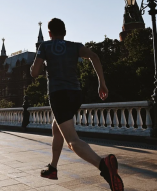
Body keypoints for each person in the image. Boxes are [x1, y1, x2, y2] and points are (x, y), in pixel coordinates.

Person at [30, 18, 124, 191]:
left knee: (72, 140)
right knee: (57, 128)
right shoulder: (75, 46)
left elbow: (34, 73)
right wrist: (102, 83)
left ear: (49, 33)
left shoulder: (45, 46)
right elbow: (94, 56)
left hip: (58, 95)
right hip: (75, 94)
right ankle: (53, 167)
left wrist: (42, 64)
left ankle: (103, 165)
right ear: (65, 32)